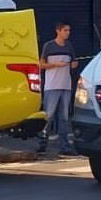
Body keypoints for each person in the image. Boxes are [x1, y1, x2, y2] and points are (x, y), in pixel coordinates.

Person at [37, 21, 78, 156]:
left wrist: (73, 64)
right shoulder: (49, 46)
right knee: (48, 117)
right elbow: (41, 64)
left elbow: (73, 61)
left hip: (65, 86)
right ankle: (42, 144)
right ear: (58, 31)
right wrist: (55, 65)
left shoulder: (69, 46)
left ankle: (64, 146)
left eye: (69, 31)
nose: (68, 33)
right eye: (65, 30)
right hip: (52, 86)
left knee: (64, 118)